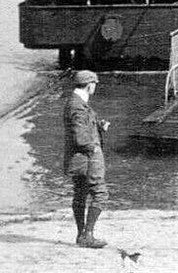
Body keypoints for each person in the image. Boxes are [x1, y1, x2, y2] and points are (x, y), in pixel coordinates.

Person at [63, 70, 110, 249]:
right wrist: (94, 147)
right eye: (95, 84)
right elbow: (79, 137)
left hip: (79, 159)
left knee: (80, 193)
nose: (95, 87)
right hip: (87, 159)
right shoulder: (77, 106)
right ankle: (87, 235)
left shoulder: (77, 103)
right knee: (100, 193)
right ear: (89, 85)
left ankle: (81, 234)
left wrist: (98, 126)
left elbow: (82, 126)